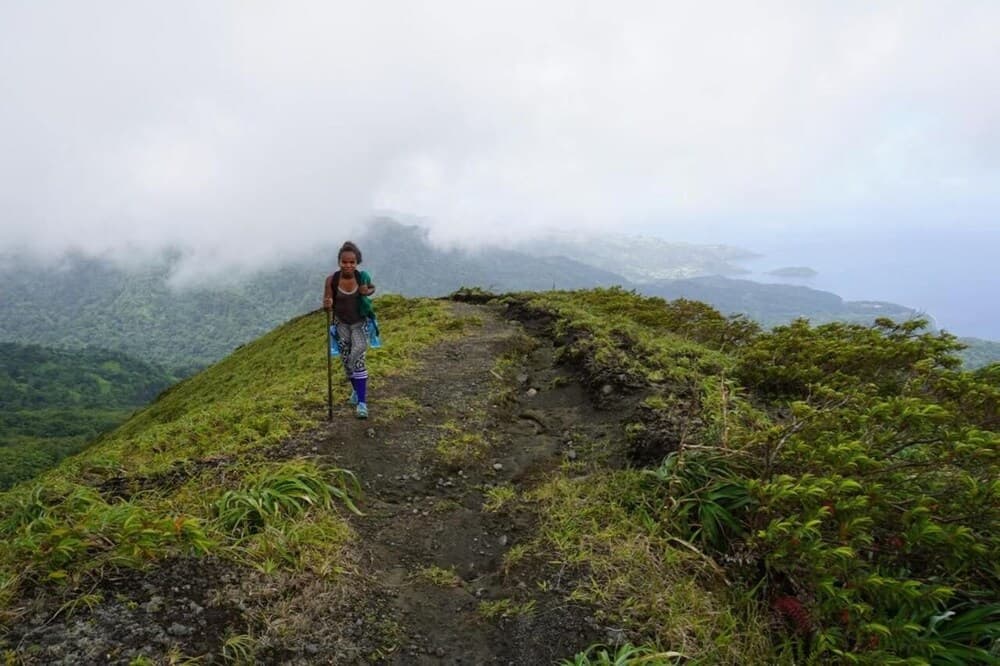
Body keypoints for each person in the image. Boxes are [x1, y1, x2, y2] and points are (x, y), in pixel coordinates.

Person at [323, 241, 376, 419]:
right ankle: (356, 390)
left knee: (358, 358)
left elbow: (371, 288)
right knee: (347, 363)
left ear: (357, 262)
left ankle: (362, 403)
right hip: (341, 325)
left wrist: (365, 292)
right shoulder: (332, 280)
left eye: (352, 262)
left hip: (360, 324)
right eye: (344, 262)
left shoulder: (362, 277)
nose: (348, 265)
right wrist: (328, 304)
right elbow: (328, 300)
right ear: (339, 262)